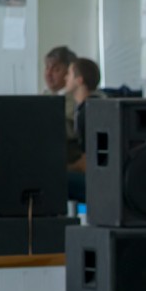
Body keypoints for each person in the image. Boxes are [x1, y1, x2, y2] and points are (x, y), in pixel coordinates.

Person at [64, 57, 104, 202]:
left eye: (69, 74)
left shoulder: (88, 112)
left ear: (79, 80)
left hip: (99, 180)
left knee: (54, 180)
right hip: (100, 175)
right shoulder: (93, 105)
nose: (65, 78)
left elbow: (87, 163)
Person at [43, 46, 79, 161]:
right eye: (47, 67)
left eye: (56, 69)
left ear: (70, 73)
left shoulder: (76, 97)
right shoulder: (45, 95)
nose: (48, 73)